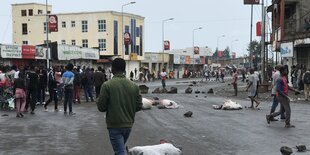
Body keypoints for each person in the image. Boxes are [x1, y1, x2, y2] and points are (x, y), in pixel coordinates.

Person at [97, 58, 142, 155]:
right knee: (120, 149)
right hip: (129, 124)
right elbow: (139, 106)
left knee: (119, 151)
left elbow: (101, 107)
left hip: (114, 125)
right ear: (124, 69)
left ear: (112, 69)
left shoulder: (107, 85)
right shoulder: (134, 86)